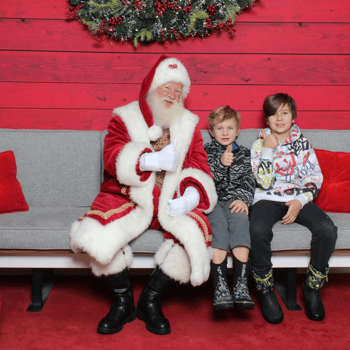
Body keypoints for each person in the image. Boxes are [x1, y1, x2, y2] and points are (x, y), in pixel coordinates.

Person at [70, 55, 217, 335]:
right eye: (167, 89)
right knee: (98, 233)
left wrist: (190, 196)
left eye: (178, 91)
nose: (172, 96)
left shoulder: (189, 124)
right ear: (152, 88)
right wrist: (149, 162)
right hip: (129, 198)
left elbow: (199, 164)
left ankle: (150, 300)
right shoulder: (125, 117)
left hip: (171, 201)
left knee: (194, 235)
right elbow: (112, 154)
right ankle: (122, 301)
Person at [249, 93, 338, 324]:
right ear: (266, 119)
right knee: (257, 229)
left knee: (327, 229)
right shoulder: (259, 143)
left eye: (285, 113)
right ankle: (266, 289)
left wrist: (300, 201)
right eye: (273, 113)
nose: (279, 118)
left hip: (297, 197)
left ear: (293, 117)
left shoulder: (303, 143)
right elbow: (263, 183)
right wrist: (268, 150)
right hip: (267, 198)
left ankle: (312, 287)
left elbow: (314, 177)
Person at [204, 106, 255, 310]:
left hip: (235, 200)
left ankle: (241, 286)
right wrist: (220, 163)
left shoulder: (243, 153)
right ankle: (221, 286)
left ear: (238, 131)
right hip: (213, 202)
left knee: (241, 224)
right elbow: (203, 178)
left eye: (230, 128)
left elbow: (249, 179)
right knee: (218, 229)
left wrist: (243, 199)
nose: (225, 133)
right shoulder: (206, 152)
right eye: (220, 128)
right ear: (211, 132)